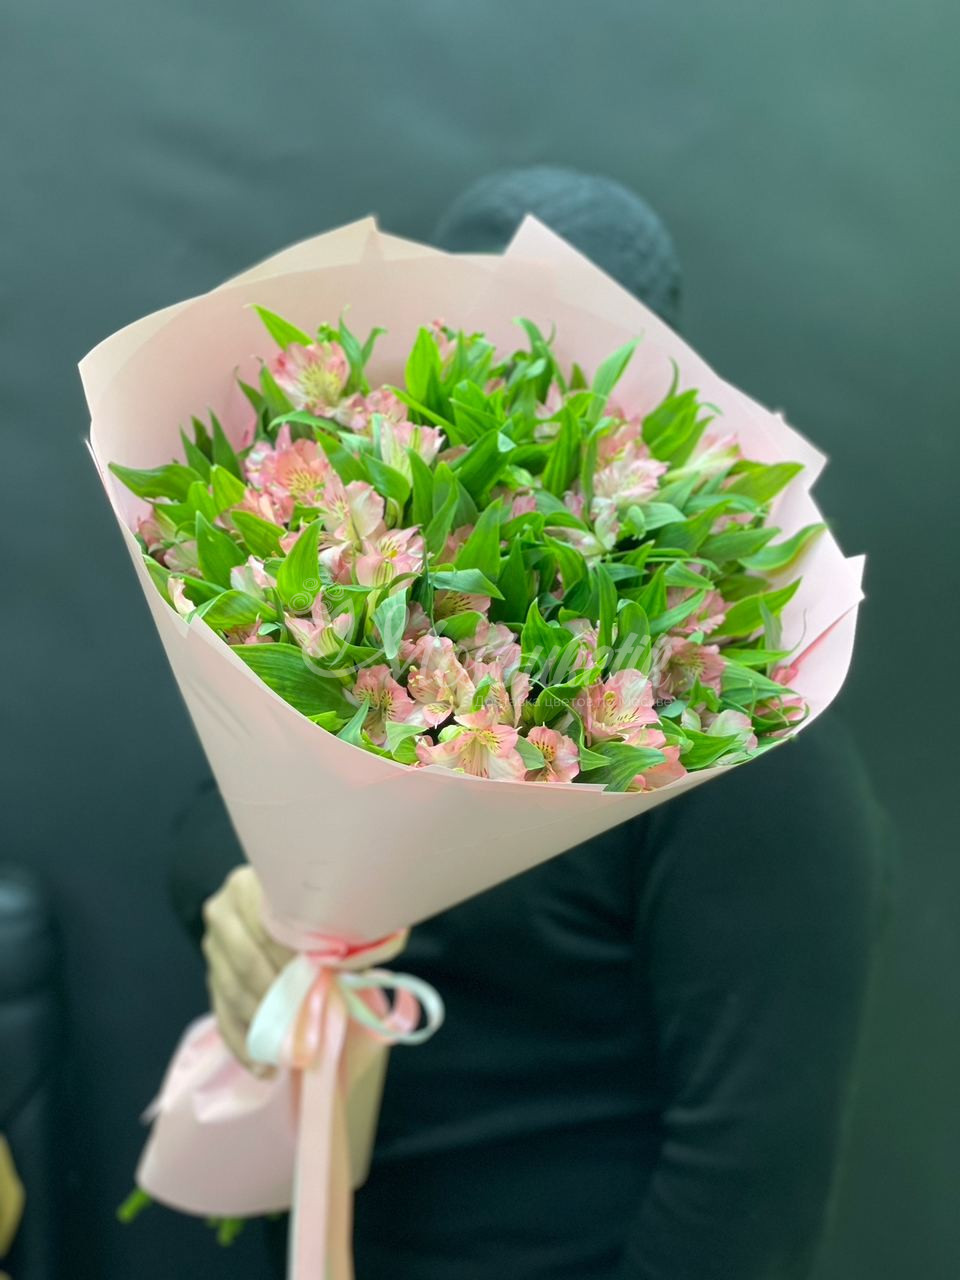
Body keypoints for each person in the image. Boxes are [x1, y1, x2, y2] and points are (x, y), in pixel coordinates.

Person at [172, 169, 894, 1280]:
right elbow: (201, 820)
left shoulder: (741, 743)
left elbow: (748, 1189)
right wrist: (251, 902)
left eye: (556, 383)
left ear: (643, 433)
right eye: (464, 365)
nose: (502, 425)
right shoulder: (353, 619)